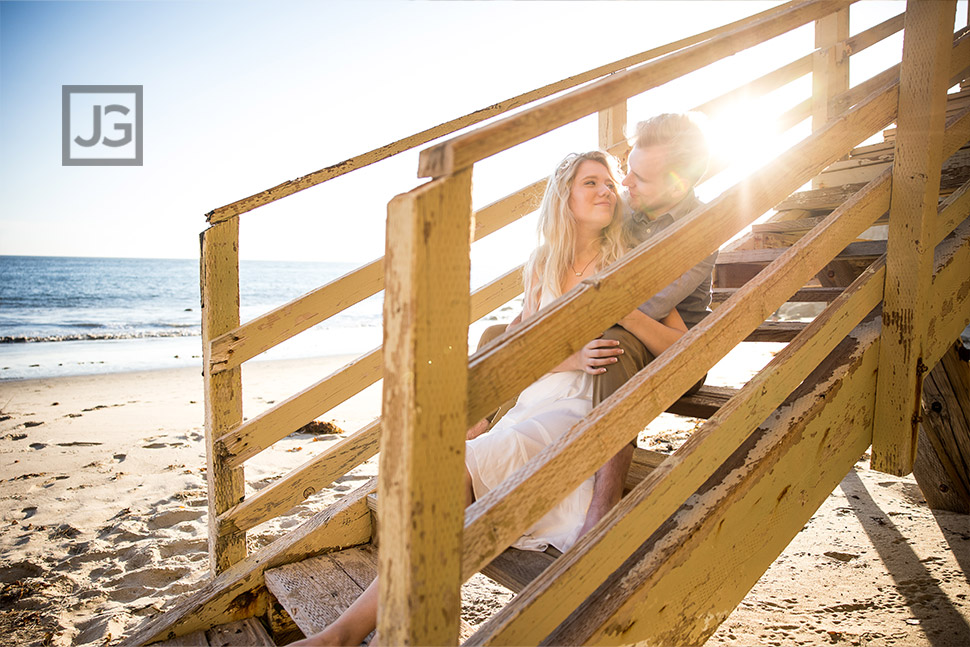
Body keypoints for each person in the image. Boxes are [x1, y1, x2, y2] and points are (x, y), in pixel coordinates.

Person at [289, 151, 687, 646]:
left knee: (451, 482)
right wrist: (567, 356)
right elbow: (517, 350)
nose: (607, 190)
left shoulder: (628, 256)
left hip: (582, 406)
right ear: (565, 196)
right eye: (592, 182)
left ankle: (347, 633)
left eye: (610, 182)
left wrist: (623, 313)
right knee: (445, 494)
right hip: (533, 400)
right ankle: (368, 630)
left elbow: (678, 343)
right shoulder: (543, 262)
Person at [578, 112, 716, 539]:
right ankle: (478, 436)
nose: (627, 183)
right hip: (609, 322)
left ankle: (604, 503)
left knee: (614, 341)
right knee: (499, 334)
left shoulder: (702, 227)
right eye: (628, 170)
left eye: (640, 177)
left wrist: (599, 294)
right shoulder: (627, 211)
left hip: (671, 348)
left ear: (678, 184)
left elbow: (651, 305)